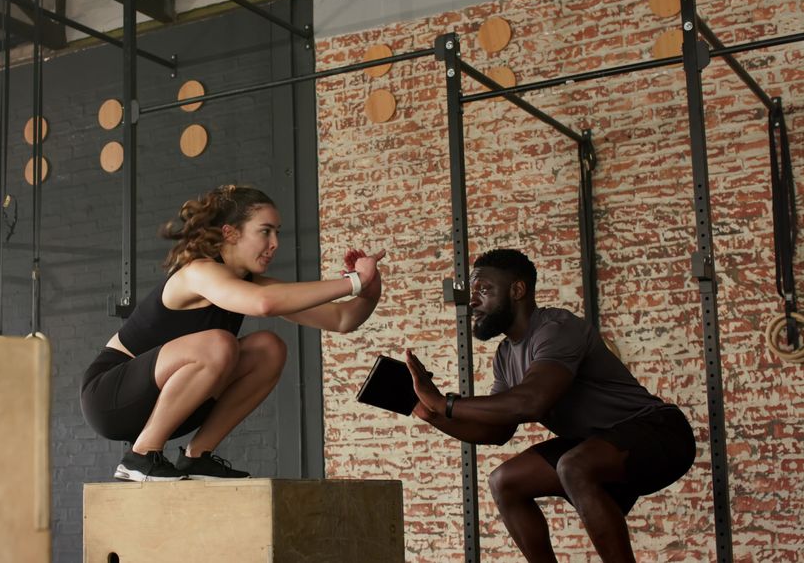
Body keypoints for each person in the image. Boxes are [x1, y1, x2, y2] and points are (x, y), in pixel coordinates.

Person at [405, 248, 695, 563]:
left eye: (484, 289)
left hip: (659, 433)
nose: (473, 301)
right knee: (505, 482)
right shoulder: (505, 354)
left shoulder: (556, 328)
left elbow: (531, 401)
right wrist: (432, 413)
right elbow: (497, 430)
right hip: (595, 443)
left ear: (517, 290)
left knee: (573, 465)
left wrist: (445, 402)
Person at [82, 184, 385, 482]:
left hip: (168, 402)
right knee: (219, 344)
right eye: (265, 231)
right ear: (230, 233)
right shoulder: (198, 272)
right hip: (111, 397)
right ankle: (140, 458)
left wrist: (370, 289)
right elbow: (264, 304)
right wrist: (354, 281)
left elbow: (342, 319)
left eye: (277, 232)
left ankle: (196, 457)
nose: (275, 243)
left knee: (269, 348)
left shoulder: (251, 283)